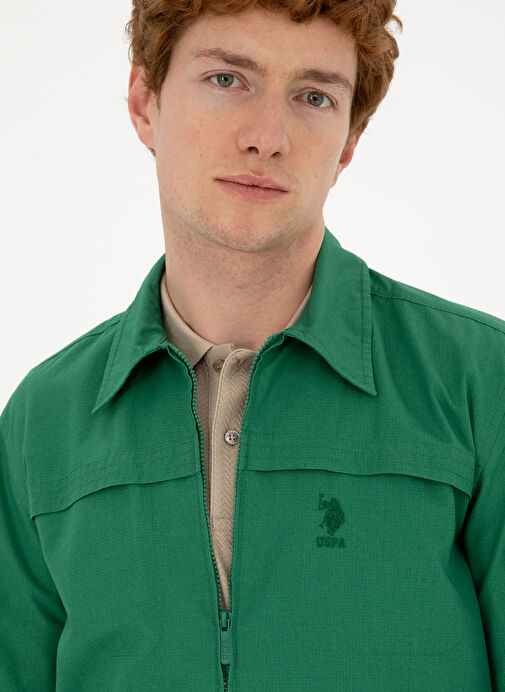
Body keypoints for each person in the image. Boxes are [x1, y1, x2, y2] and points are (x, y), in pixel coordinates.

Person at [1, 1, 504, 690]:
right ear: (144, 102)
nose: (267, 138)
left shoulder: (481, 383)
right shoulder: (42, 420)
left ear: (348, 141)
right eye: (226, 80)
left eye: (313, 96)